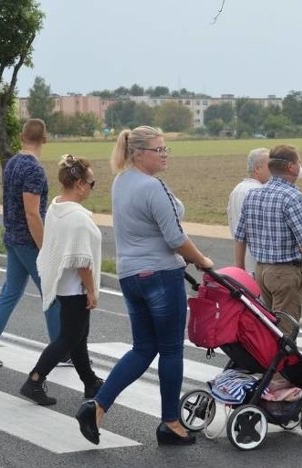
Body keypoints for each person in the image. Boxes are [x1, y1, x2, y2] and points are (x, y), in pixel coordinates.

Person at [75, 126, 213, 447]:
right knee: (171, 350)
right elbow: (177, 238)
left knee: (142, 348)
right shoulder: (152, 187)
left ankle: (97, 406)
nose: (164, 155)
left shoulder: (121, 182)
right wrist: (203, 261)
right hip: (162, 277)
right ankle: (170, 422)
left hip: (130, 277)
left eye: (165, 149)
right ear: (138, 153)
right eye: (158, 149)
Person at [0, 119, 63, 368]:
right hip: (29, 241)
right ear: (44, 138)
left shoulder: (12, 163)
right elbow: (32, 213)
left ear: (22, 136)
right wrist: (45, 247)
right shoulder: (33, 170)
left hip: (12, 237)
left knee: (11, 293)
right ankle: (59, 351)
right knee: (52, 295)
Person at [22, 155, 104, 406]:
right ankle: (34, 380)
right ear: (79, 183)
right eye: (92, 182)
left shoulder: (57, 206)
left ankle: (90, 381)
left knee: (78, 335)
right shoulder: (77, 218)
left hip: (64, 284)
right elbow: (82, 261)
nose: (92, 187)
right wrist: (90, 290)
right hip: (75, 288)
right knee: (69, 338)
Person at [233, 144, 302, 331]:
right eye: (299, 162)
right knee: (285, 333)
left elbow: (240, 236)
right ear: (291, 167)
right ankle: (279, 361)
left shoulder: (253, 195)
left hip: (261, 271)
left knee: (267, 327)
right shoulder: (293, 197)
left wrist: (240, 269)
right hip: (284, 273)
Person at [227, 147, 269, 271]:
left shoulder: (237, 189)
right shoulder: (258, 192)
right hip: (258, 262)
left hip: (242, 258)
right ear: (257, 168)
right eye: (270, 165)